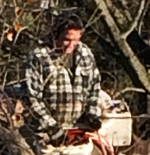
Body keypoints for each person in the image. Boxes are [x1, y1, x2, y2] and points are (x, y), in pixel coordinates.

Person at [24, 12, 102, 146]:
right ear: (56, 35)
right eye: (67, 39)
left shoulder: (86, 54)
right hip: (45, 134)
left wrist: (91, 113)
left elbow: (94, 87)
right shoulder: (40, 57)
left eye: (76, 40)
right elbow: (31, 98)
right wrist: (52, 128)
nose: (71, 45)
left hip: (78, 130)